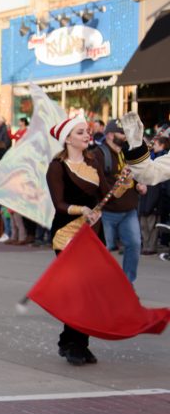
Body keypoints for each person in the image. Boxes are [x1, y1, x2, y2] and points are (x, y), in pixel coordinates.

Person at [46, 116, 108, 366]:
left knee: (89, 291)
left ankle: (74, 341)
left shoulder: (94, 163)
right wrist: (82, 210)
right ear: (68, 138)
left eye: (87, 132)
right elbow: (59, 204)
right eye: (81, 132)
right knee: (77, 292)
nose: (86, 136)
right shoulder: (57, 167)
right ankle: (74, 344)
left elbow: (106, 194)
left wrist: (128, 185)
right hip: (66, 234)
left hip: (93, 234)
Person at [95, 120, 141, 282]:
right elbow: (98, 184)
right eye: (122, 134)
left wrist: (138, 185)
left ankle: (127, 285)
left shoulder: (127, 153)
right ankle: (100, 286)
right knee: (101, 252)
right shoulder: (98, 155)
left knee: (134, 245)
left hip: (128, 211)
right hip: (106, 213)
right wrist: (118, 187)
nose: (125, 137)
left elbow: (135, 176)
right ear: (110, 135)